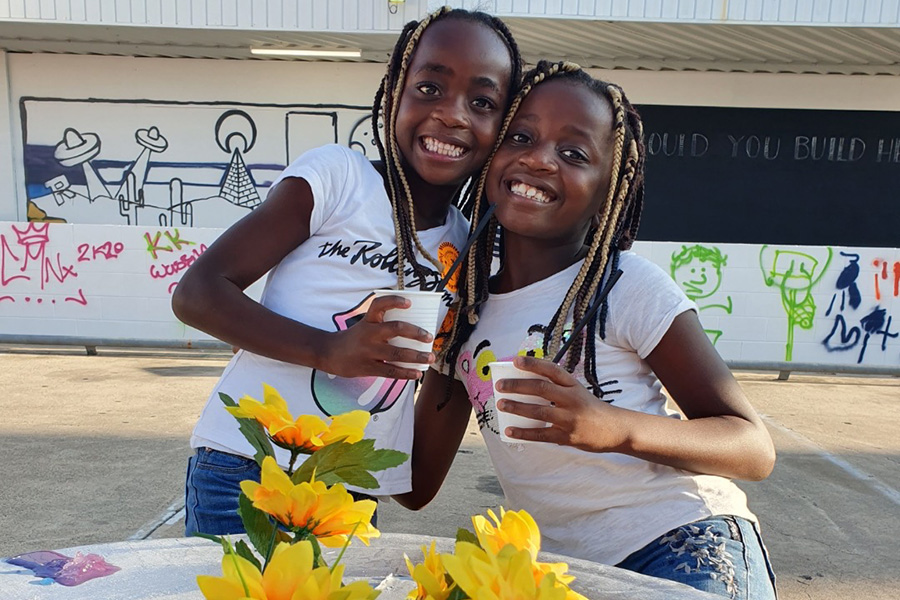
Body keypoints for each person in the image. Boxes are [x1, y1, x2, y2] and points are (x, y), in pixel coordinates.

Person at [397, 61, 778, 599]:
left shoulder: (625, 285)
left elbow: (752, 448)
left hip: (680, 545)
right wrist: (362, 378)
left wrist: (610, 427)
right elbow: (415, 487)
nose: (538, 158)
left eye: (573, 154)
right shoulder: (463, 308)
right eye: (521, 137)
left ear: (607, 191)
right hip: (563, 577)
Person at [171, 6, 522, 536]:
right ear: (394, 94)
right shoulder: (339, 177)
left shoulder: (465, 248)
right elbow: (197, 293)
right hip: (250, 467)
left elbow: (419, 484)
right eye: (429, 87)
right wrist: (327, 350)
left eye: (482, 102)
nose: (452, 114)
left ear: (502, 128)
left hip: (352, 490)